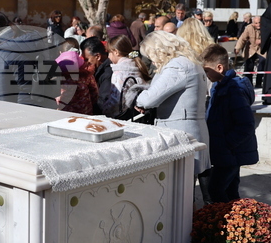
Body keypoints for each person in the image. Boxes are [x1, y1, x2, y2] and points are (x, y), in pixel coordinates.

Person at [135, 31, 212, 177]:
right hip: (191, 128)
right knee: (186, 187)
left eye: (150, 55)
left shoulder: (177, 66)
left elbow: (148, 99)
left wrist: (138, 99)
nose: (151, 61)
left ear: (158, 51)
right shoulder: (190, 62)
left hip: (179, 132)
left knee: (179, 190)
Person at [201, 44, 258, 202]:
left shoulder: (233, 90)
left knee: (216, 190)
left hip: (230, 153)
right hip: (225, 153)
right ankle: (236, 225)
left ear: (219, 67)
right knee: (231, 193)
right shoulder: (219, 88)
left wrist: (226, 144)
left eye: (206, 70)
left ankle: (226, 224)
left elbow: (245, 125)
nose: (206, 75)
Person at [0, 11, 60, 107]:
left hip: (23, 107)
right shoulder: (36, 39)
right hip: (47, 100)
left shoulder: (0, 54)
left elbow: (4, 94)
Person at [81, 37, 118, 116]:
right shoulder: (97, 69)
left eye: (87, 59)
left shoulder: (108, 74)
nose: (85, 63)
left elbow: (103, 101)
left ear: (98, 56)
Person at [55, 49, 98, 115]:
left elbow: (64, 98)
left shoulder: (64, 80)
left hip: (68, 113)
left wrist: (58, 101)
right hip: (85, 110)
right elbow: (94, 91)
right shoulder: (87, 75)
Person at [235, 14, 264, 87]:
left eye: (260, 22)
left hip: (261, 49)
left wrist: (262, 41)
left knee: (263, 62)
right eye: (256, 23)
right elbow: (242, 38)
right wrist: (237, 48)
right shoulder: (248, 28)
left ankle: (258, 83)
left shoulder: (265, 27)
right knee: (248, 64)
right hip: (251, 48)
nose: (258, 24)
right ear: (253, 23)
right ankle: (248, 84)